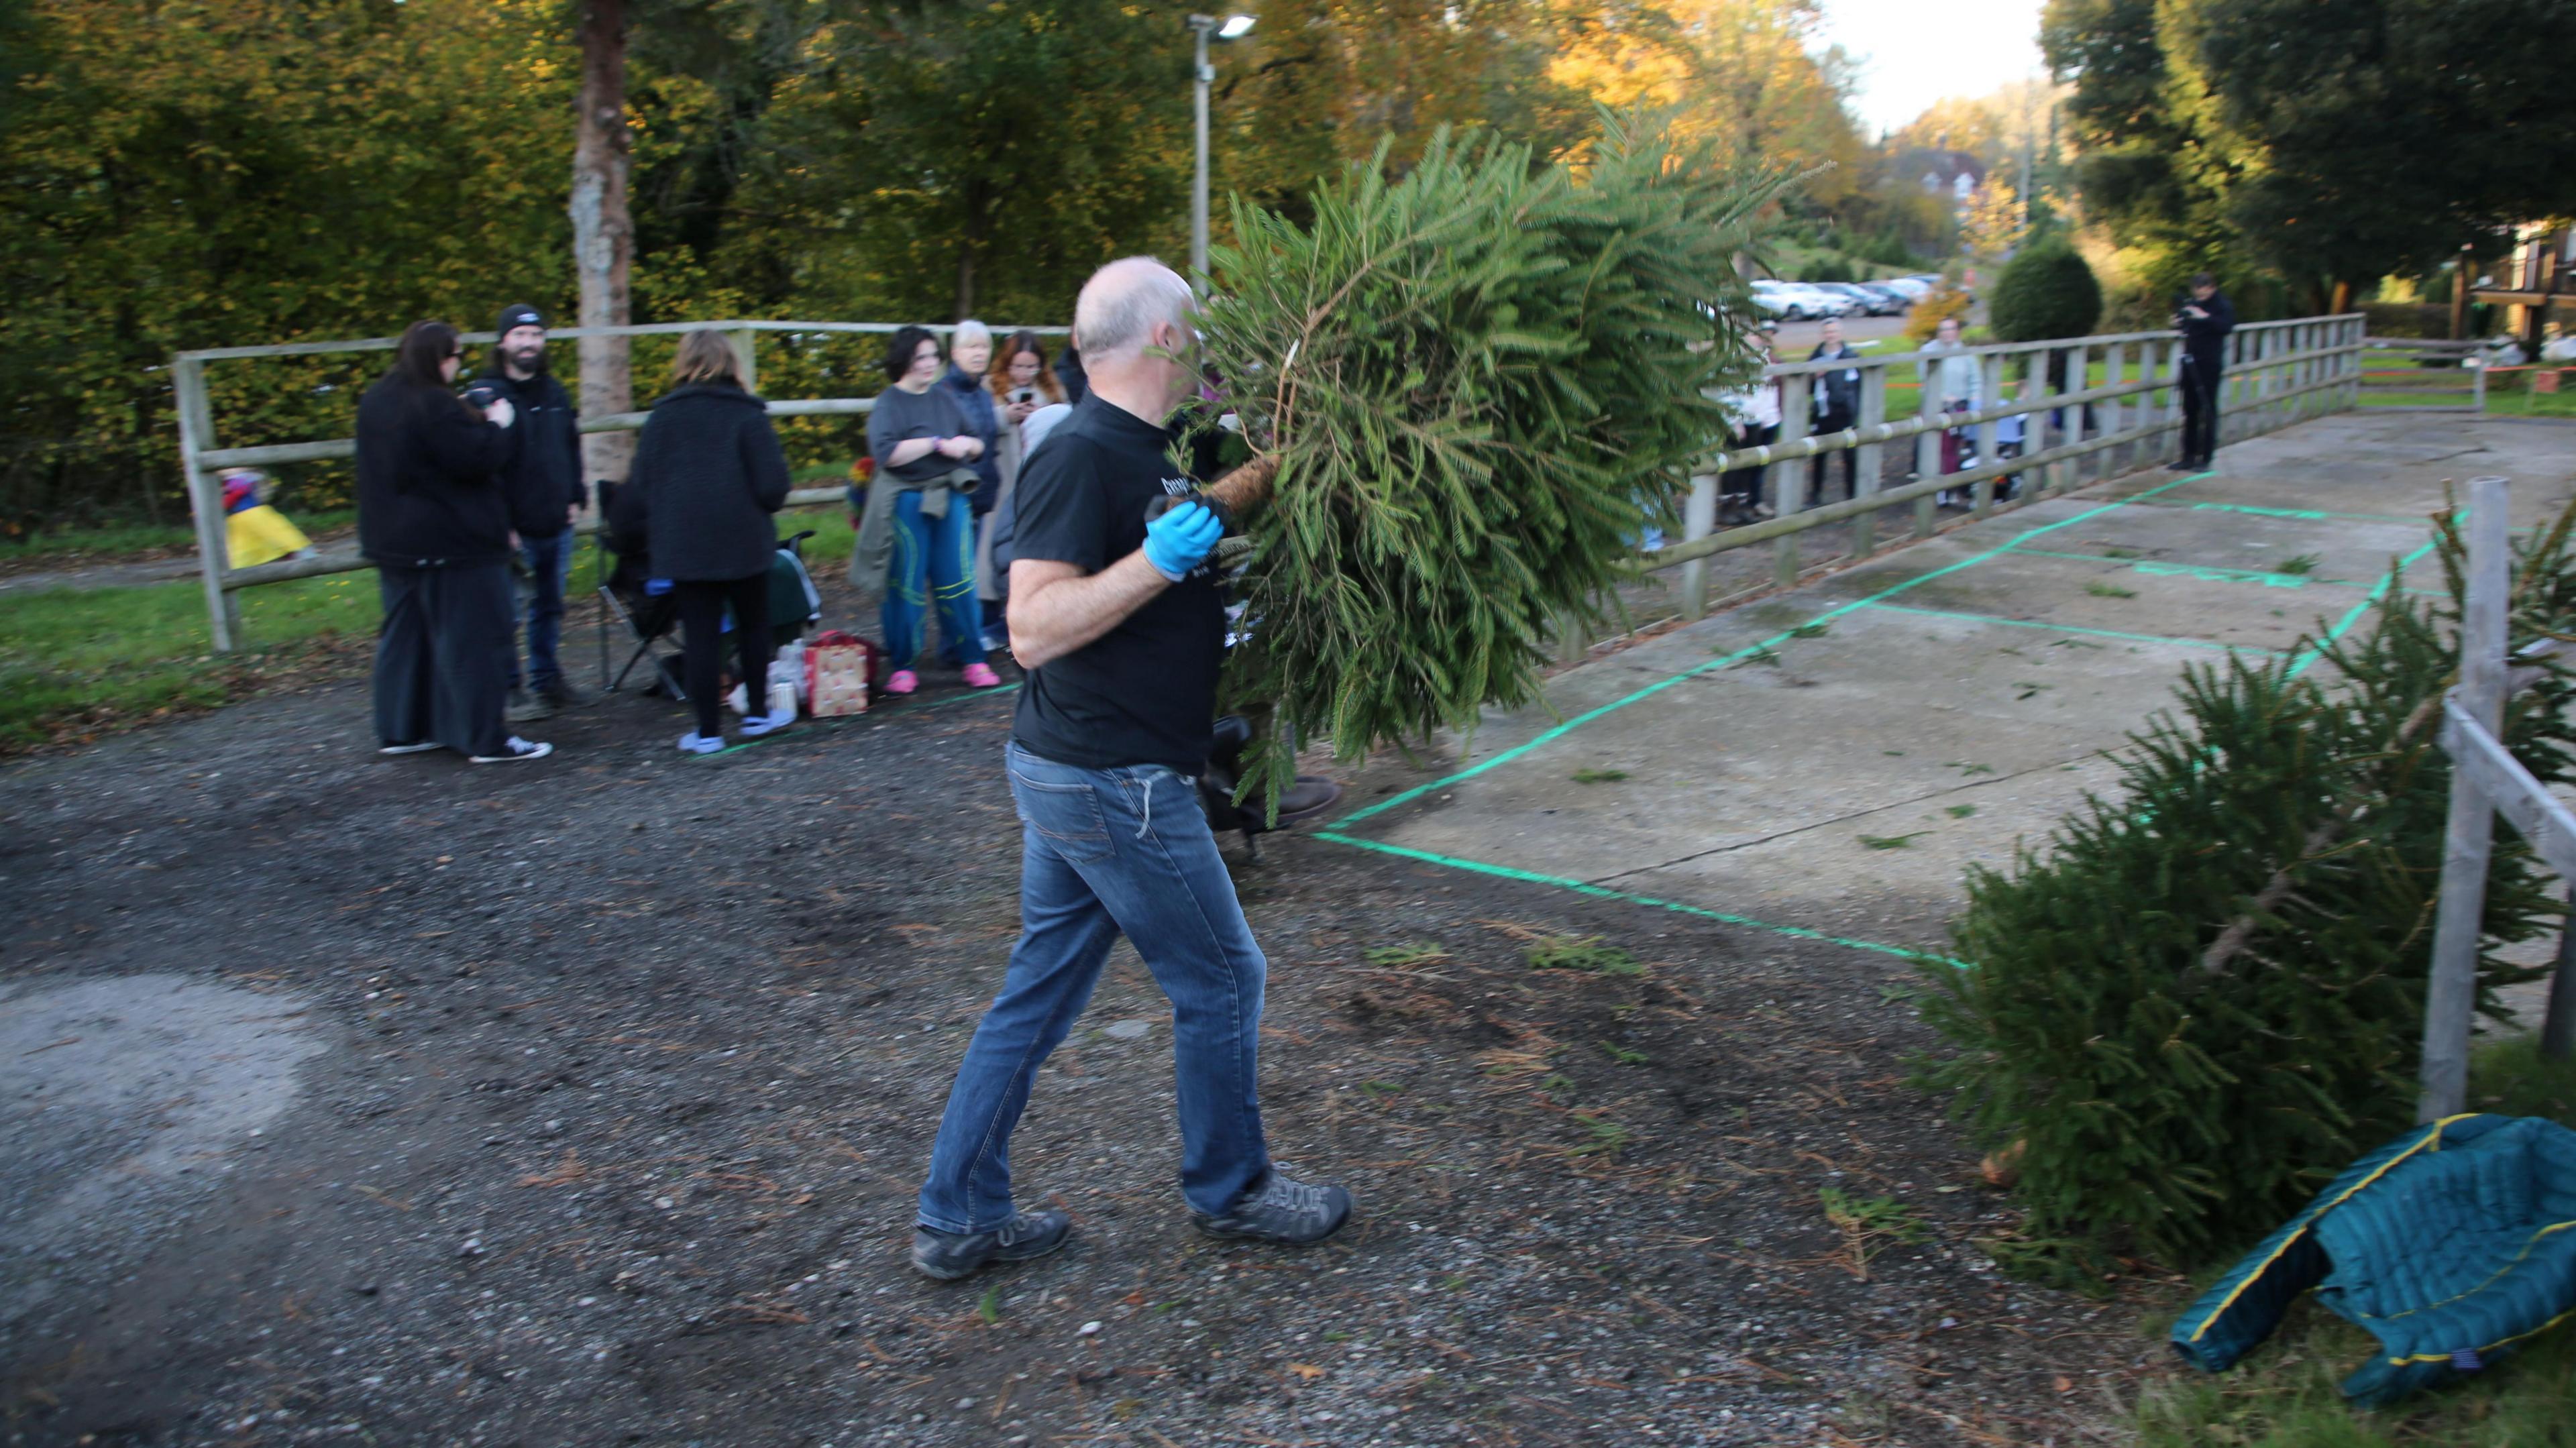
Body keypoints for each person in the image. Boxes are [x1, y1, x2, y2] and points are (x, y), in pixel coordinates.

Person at [911, 257, 1352, 1281]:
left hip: (1087, 767)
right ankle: (1232, 1188)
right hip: (1113, 776)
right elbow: (1029, 626)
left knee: (1039, 992)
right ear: (1162, 338)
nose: (1203, 339)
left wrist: (1281, 458)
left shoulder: (1167, 449)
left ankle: (958, 1213)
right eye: (1193, 325)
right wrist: (1155, 562)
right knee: (1223, 972)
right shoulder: (1080, 454)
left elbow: (1230, 490)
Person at [355, 321, 551, 763]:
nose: (458, 364)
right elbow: (477, 459)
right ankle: (487, 738)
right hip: (453, 542)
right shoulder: (433, 404)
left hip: (394, 542)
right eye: (456, 356)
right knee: (472, 640)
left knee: (405, 638)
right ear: (440, 358)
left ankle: (402, 728)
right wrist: (500, 425)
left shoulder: (379, 399)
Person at [625, 330, 796, 754]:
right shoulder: (748, 415)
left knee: (700, 636)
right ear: (731, 364)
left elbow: (642, 486)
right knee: (755, 625)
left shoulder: (661, 419)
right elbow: (775, 487)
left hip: (685, 546)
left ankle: (707, 732)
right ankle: (757, 714)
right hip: (744, 540)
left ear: (683, 364)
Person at [855, 327, 1001, 695]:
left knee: (958, 581)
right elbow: (887, 453)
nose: (929, 364)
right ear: (904, 360)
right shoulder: (889, 403)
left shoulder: (944, 398)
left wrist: (962, 446)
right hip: (906, 501)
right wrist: (935, 443)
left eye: (933, 356)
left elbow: (976, 444)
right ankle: (904, 666)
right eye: (921, 357)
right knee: (906, 585)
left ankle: (973, 659)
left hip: (949, 498)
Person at [468, 304, 590, 724]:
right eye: (521, 336)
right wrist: (500, 522)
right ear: (504, 341)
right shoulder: (485, 395)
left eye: (536, 335)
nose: (529, 344)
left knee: (551, 606)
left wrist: (577, 495)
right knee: (508, 614)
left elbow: (571, 447)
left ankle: (547, 678)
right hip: (513, 527)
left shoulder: (555, 392)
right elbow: (482, 464)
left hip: (557, 518)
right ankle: (509, 689)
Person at [979, 330, 1068, 650]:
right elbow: (975, 424)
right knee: (994, 548)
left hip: (1042, 479)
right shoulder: (990, 387)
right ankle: (993, 622)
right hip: (1003, 477)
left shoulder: (1051, 387)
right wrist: (1005, 417)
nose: (1024, 373)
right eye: (1018, 366)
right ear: (1007, 363)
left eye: (1031, 367)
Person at [1717, 325, 1781, 523]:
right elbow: (1726, 391)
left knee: (1749, 463)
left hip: (1755, 419)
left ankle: (1743, 505)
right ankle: (1727, 507)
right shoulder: (1733, 360)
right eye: (1752, 335)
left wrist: (1764, 418)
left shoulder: (1762, 358)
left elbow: (1763, 393)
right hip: (1736, 419)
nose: (1756, 339)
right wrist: (1734, 421)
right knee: (1733, 464)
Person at [2174, 272, 2235, 470]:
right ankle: (2188, 456)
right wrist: (2180, 321)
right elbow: (2186, 327)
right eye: (2197, 293)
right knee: (2189, 410)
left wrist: (2205, 317)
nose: (2200, 297)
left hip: (2209, 362)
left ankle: (2206, 458)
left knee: (2208, 409)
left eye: (2203, 293)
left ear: (2211, 288)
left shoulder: (2222, 306)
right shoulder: (2193, 304)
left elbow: (2226, 327)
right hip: (2191, 361)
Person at [1921, 315, 1980, 506]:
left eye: (1951, 329)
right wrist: (1942, 397)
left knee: (1955, 448)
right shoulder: (1928, 351)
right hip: (1938, 406)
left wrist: (1975, 399)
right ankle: (1939, 487)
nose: (1947, 333)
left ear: (1957, 331)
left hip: (1960, 406)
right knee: (1940, 448)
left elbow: (1975, 380)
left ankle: (1952, 487)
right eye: (1943, 330)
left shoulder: (1966, 353)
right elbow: (1925, 381)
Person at [1807, 317, 1863, 502]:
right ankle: (1815, 495)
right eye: (1828, 332)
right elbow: (1805, 387)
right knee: (1819, 456)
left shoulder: (1852, 357)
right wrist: (1814, 378)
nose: (1831, 335)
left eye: (1834, 331)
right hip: (1822, 414)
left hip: (1845, 413)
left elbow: (1858, 387)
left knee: (1850, 457)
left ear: (1840, 333)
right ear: (1823, 335)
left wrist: (1855, 409)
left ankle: (1852, 496)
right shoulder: (1815, 358)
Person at [219, 467, 315, 567]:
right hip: (239, 519)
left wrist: (224, 497)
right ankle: (240, 571)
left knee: (279, 536)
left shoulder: (239, 480)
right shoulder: (234, 481)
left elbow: (231, 499)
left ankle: (308, 559)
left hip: (251, 514)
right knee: (243, 546)